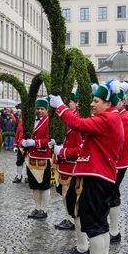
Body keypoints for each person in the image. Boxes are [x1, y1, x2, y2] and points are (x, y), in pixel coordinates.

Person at [49, 82, 125, 254]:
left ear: (108, 103)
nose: (92, 104)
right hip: (101, 176)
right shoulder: (111, 117)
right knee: (99, 225)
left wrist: (60, 107)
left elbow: (78, 124)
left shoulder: (107, 118)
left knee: (94, 226)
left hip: (97, 177)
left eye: (96, 101)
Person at [108, 83, 128, 243]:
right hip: (116, 162)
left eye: (115, 103)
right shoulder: (118, 116)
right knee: (111, 194)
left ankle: (114, 230)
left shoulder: (124, 118)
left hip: (118, 163)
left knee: (113, 194)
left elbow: (118, 142)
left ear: (122, 102)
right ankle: (112, 229)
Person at [52, 91, 82, 231]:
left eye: (69, 101)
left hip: (72, 166)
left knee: (71, 198)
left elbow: (80, 149)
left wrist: (62, 151)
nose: (66, 104)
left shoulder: (79, 121)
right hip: (63, 165)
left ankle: (71, 219)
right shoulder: (65, 119)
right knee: (63, 195)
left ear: (76, 103)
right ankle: (68, 217)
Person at [20, 99, 51, 219]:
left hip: (43, 157)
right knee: (34, 186)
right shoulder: (31, 121)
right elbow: (23, 134)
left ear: (46, 110)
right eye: (38, 109)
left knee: (44, 186)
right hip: (31, 158)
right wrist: (22, 142)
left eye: (42, 109)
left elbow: (48, 140)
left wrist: (35, 142)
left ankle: (44, 209)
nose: (39, 111)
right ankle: (37, 207)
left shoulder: (49, 122)